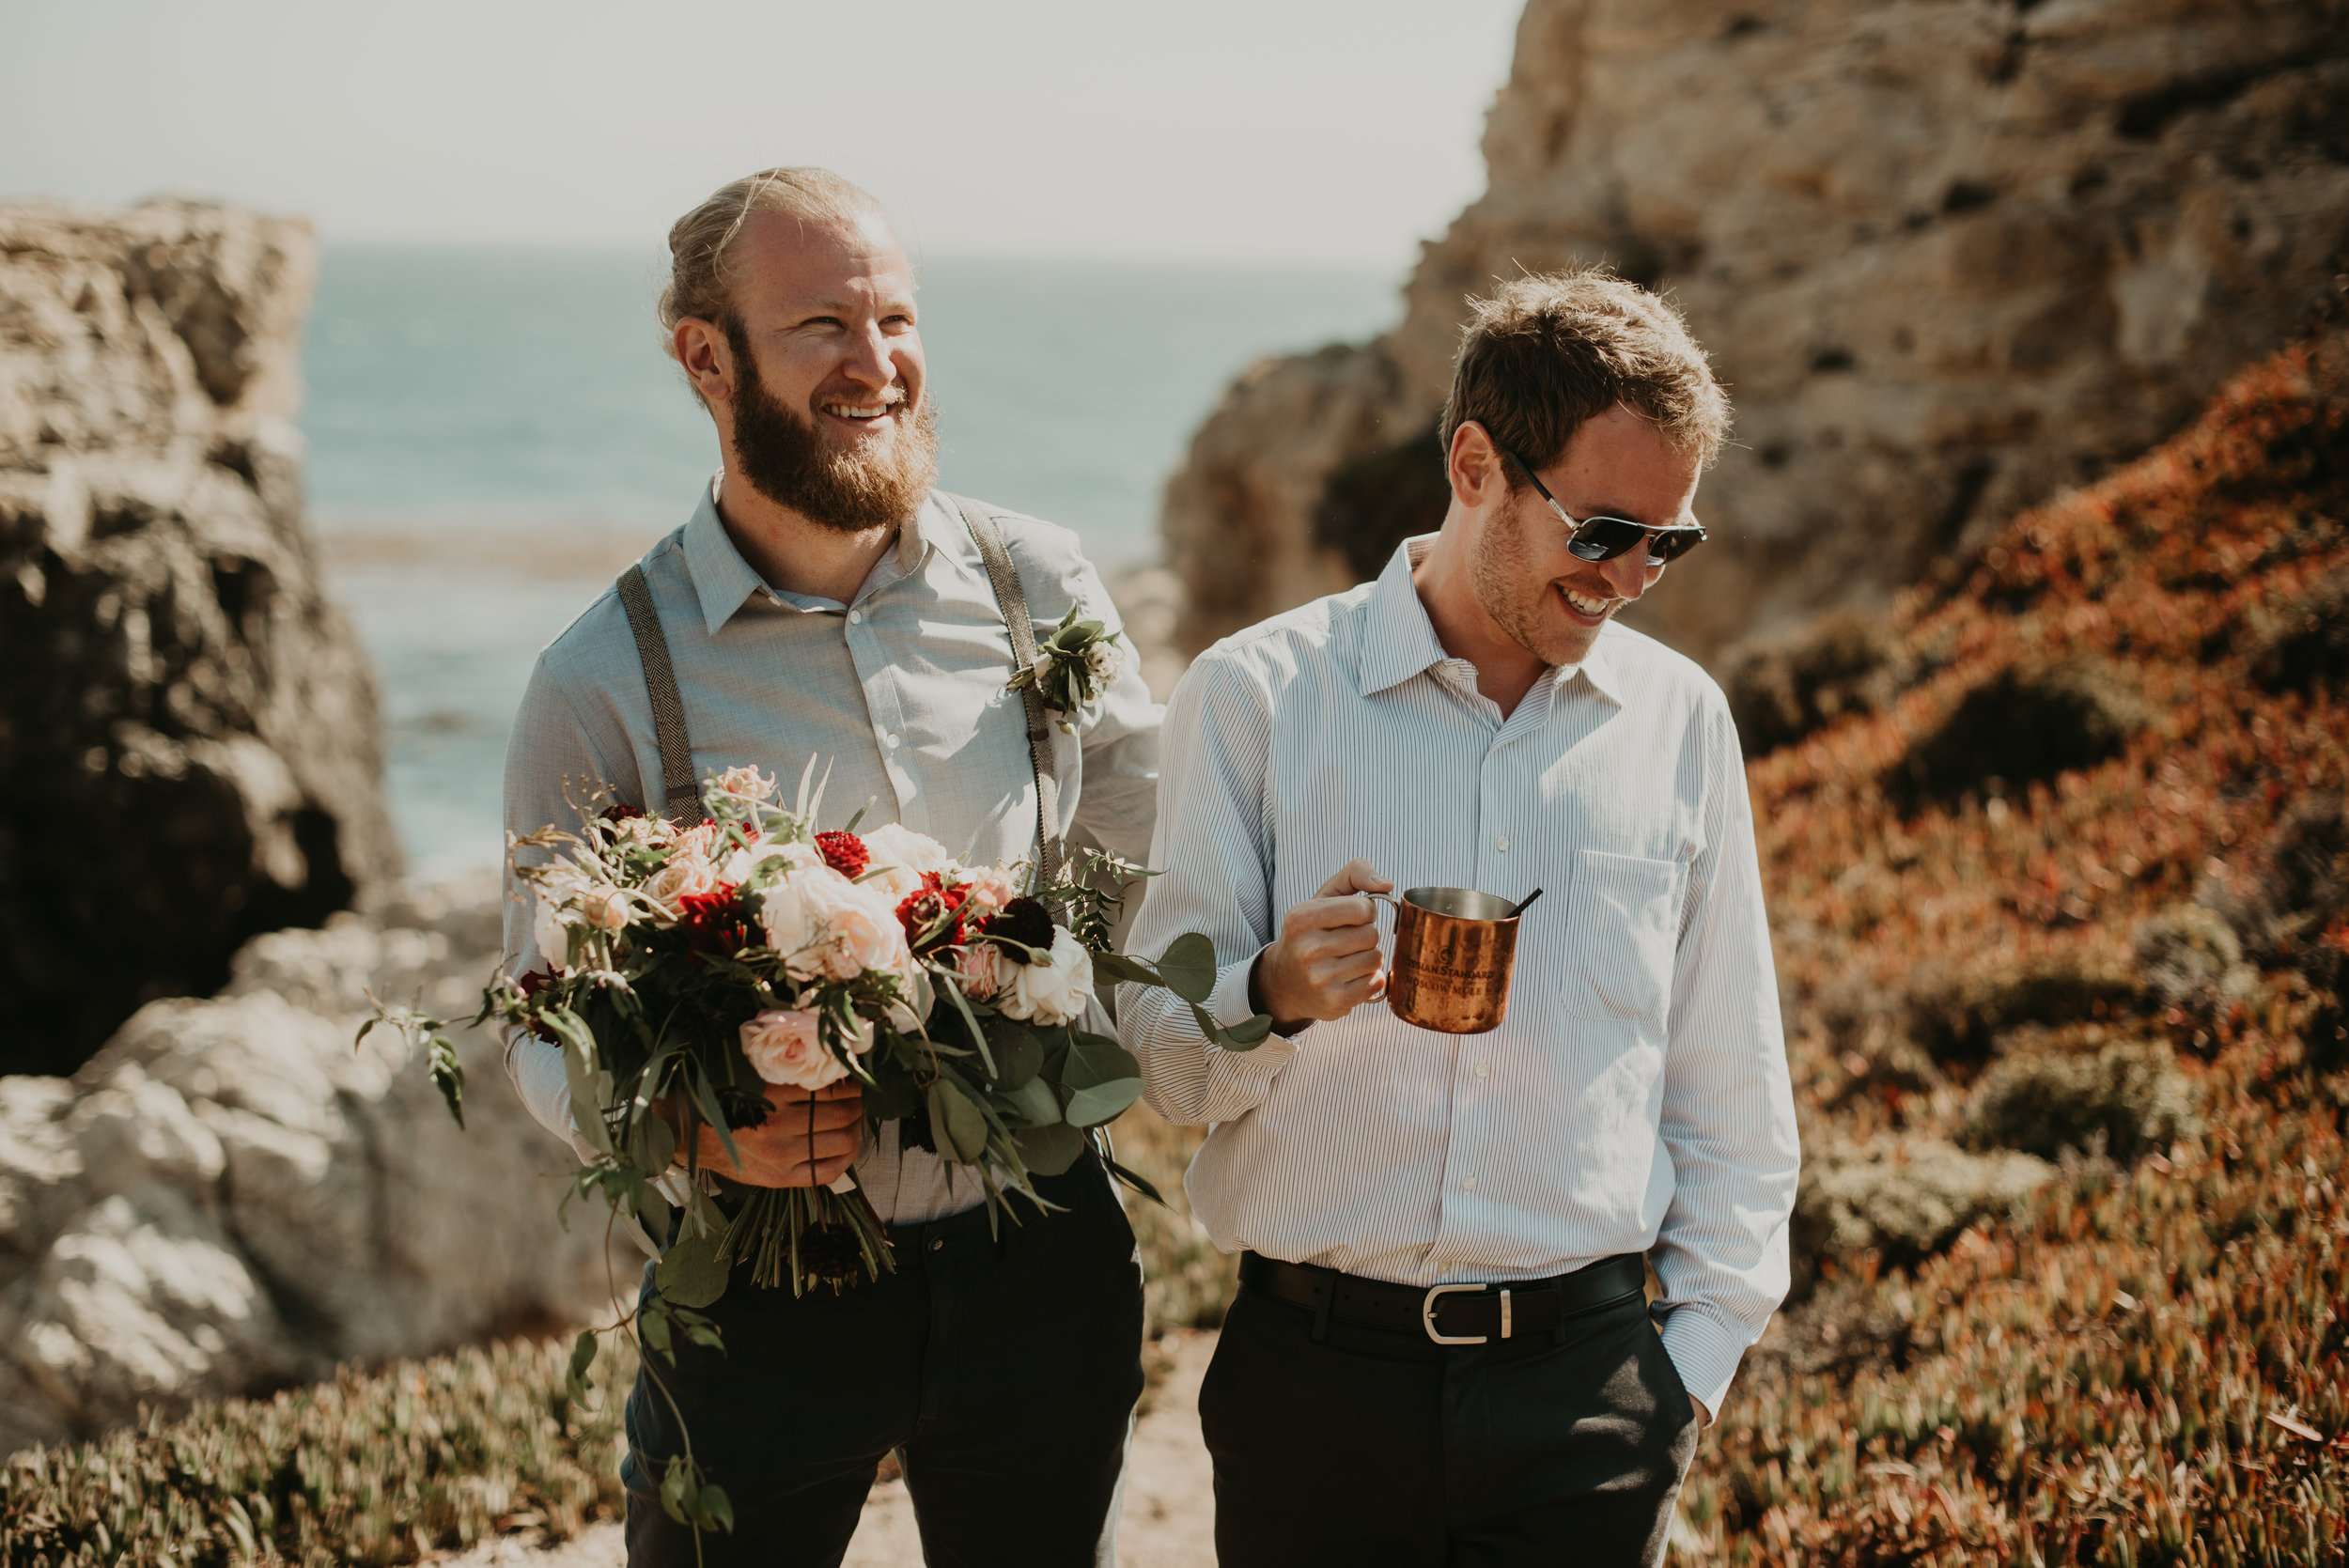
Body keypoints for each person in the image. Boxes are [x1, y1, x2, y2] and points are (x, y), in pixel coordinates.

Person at [499, 168, 1160, 1568]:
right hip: (757, 1287)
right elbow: (536, 1021)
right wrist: (684, 1129)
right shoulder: (605, 677)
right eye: (823, 327)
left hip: (1040, 1262)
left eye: (899, 318)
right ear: (704, 356)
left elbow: (1154, 864)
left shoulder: (1039, 587)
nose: (880, 366)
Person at [1119, 269, 1800, 1567]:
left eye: (1672, 541)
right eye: (1604, 531)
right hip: (1314, 1396)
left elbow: (1734, 1087)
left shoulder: (1680, 722)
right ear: (1477, 463)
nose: (1636, 576)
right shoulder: (1254, 697)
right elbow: (1161, 1057)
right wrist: (1266, 992)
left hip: (1590, 1400)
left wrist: (1683, 1374)